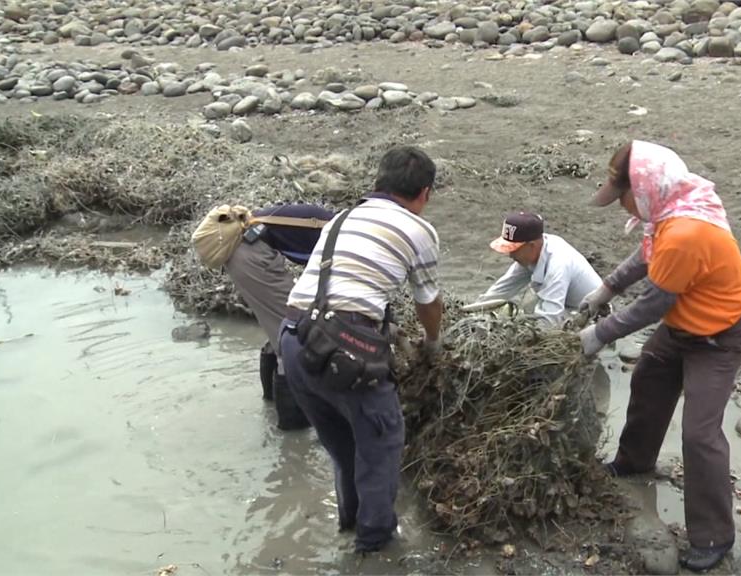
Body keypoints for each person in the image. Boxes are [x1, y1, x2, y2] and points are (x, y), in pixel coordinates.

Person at [577, 140, 741, 572]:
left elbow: (653, 304)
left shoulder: (686, 231)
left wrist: (597, 334)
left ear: (644, 189)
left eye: (622, 198)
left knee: (699, 434)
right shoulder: (669, 212)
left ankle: (714, 537)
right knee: (648, 381)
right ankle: (633, 461)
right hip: (683, 326)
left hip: (720, 335)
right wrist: (605, 288)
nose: (622, 207)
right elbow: (645, 257)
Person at [279, 146, 444, 553]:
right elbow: (428, 302)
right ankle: (375, 548)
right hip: (346, 348)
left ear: (377, 184)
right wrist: (433, 344)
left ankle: (349, 524)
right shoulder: (419, 230)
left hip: (294, 339)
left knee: (344, 448)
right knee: (383, 445)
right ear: (425, 192)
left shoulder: (342, 217)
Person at [223, 202, 334, 431]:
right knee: (295, 333)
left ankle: (271, 402)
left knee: (278, 328)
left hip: (246, 252)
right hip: (251, 256)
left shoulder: (337, 225)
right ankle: (293, 433)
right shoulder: (344, 238)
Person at [472, 211, 601, 327]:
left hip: (592, 315)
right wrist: (473, 312)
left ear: (532, 246)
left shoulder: (558, 264)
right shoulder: (534, 251)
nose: (510, 255)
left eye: (514, 250)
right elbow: (502, 289)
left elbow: (550, 319)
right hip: (566, 304)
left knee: (529, 318)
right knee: (528, 306)